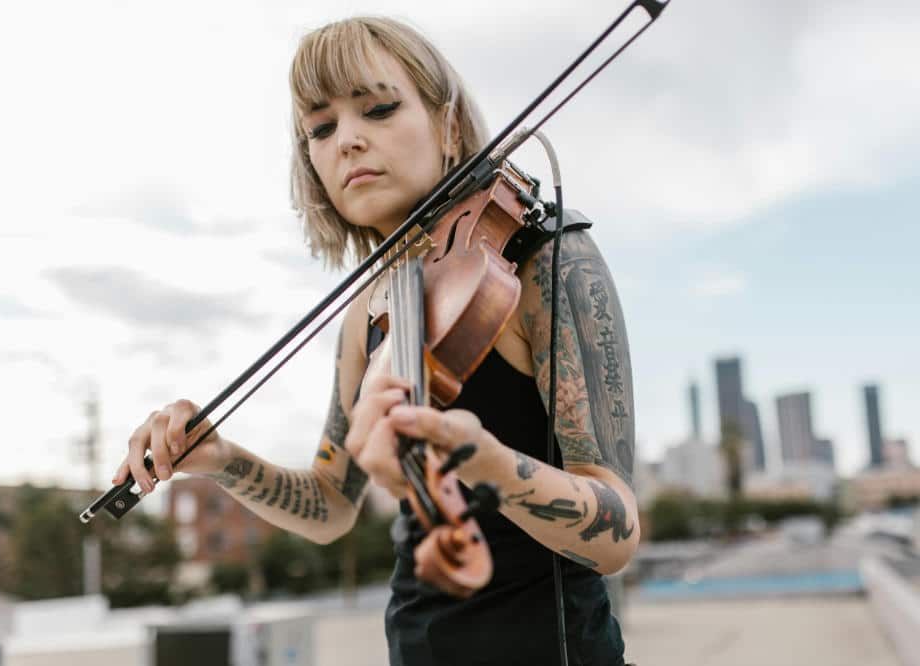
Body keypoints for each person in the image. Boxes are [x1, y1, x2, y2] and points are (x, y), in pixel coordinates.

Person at [112, 16, 640, 666]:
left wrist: (488, 463)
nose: (349, 141)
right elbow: (334, 503)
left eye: (379, 109)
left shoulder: (545, 260)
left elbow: (617, 533)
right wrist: (223, 459)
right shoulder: (369, 306)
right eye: (321, 128)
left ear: (449, 127)